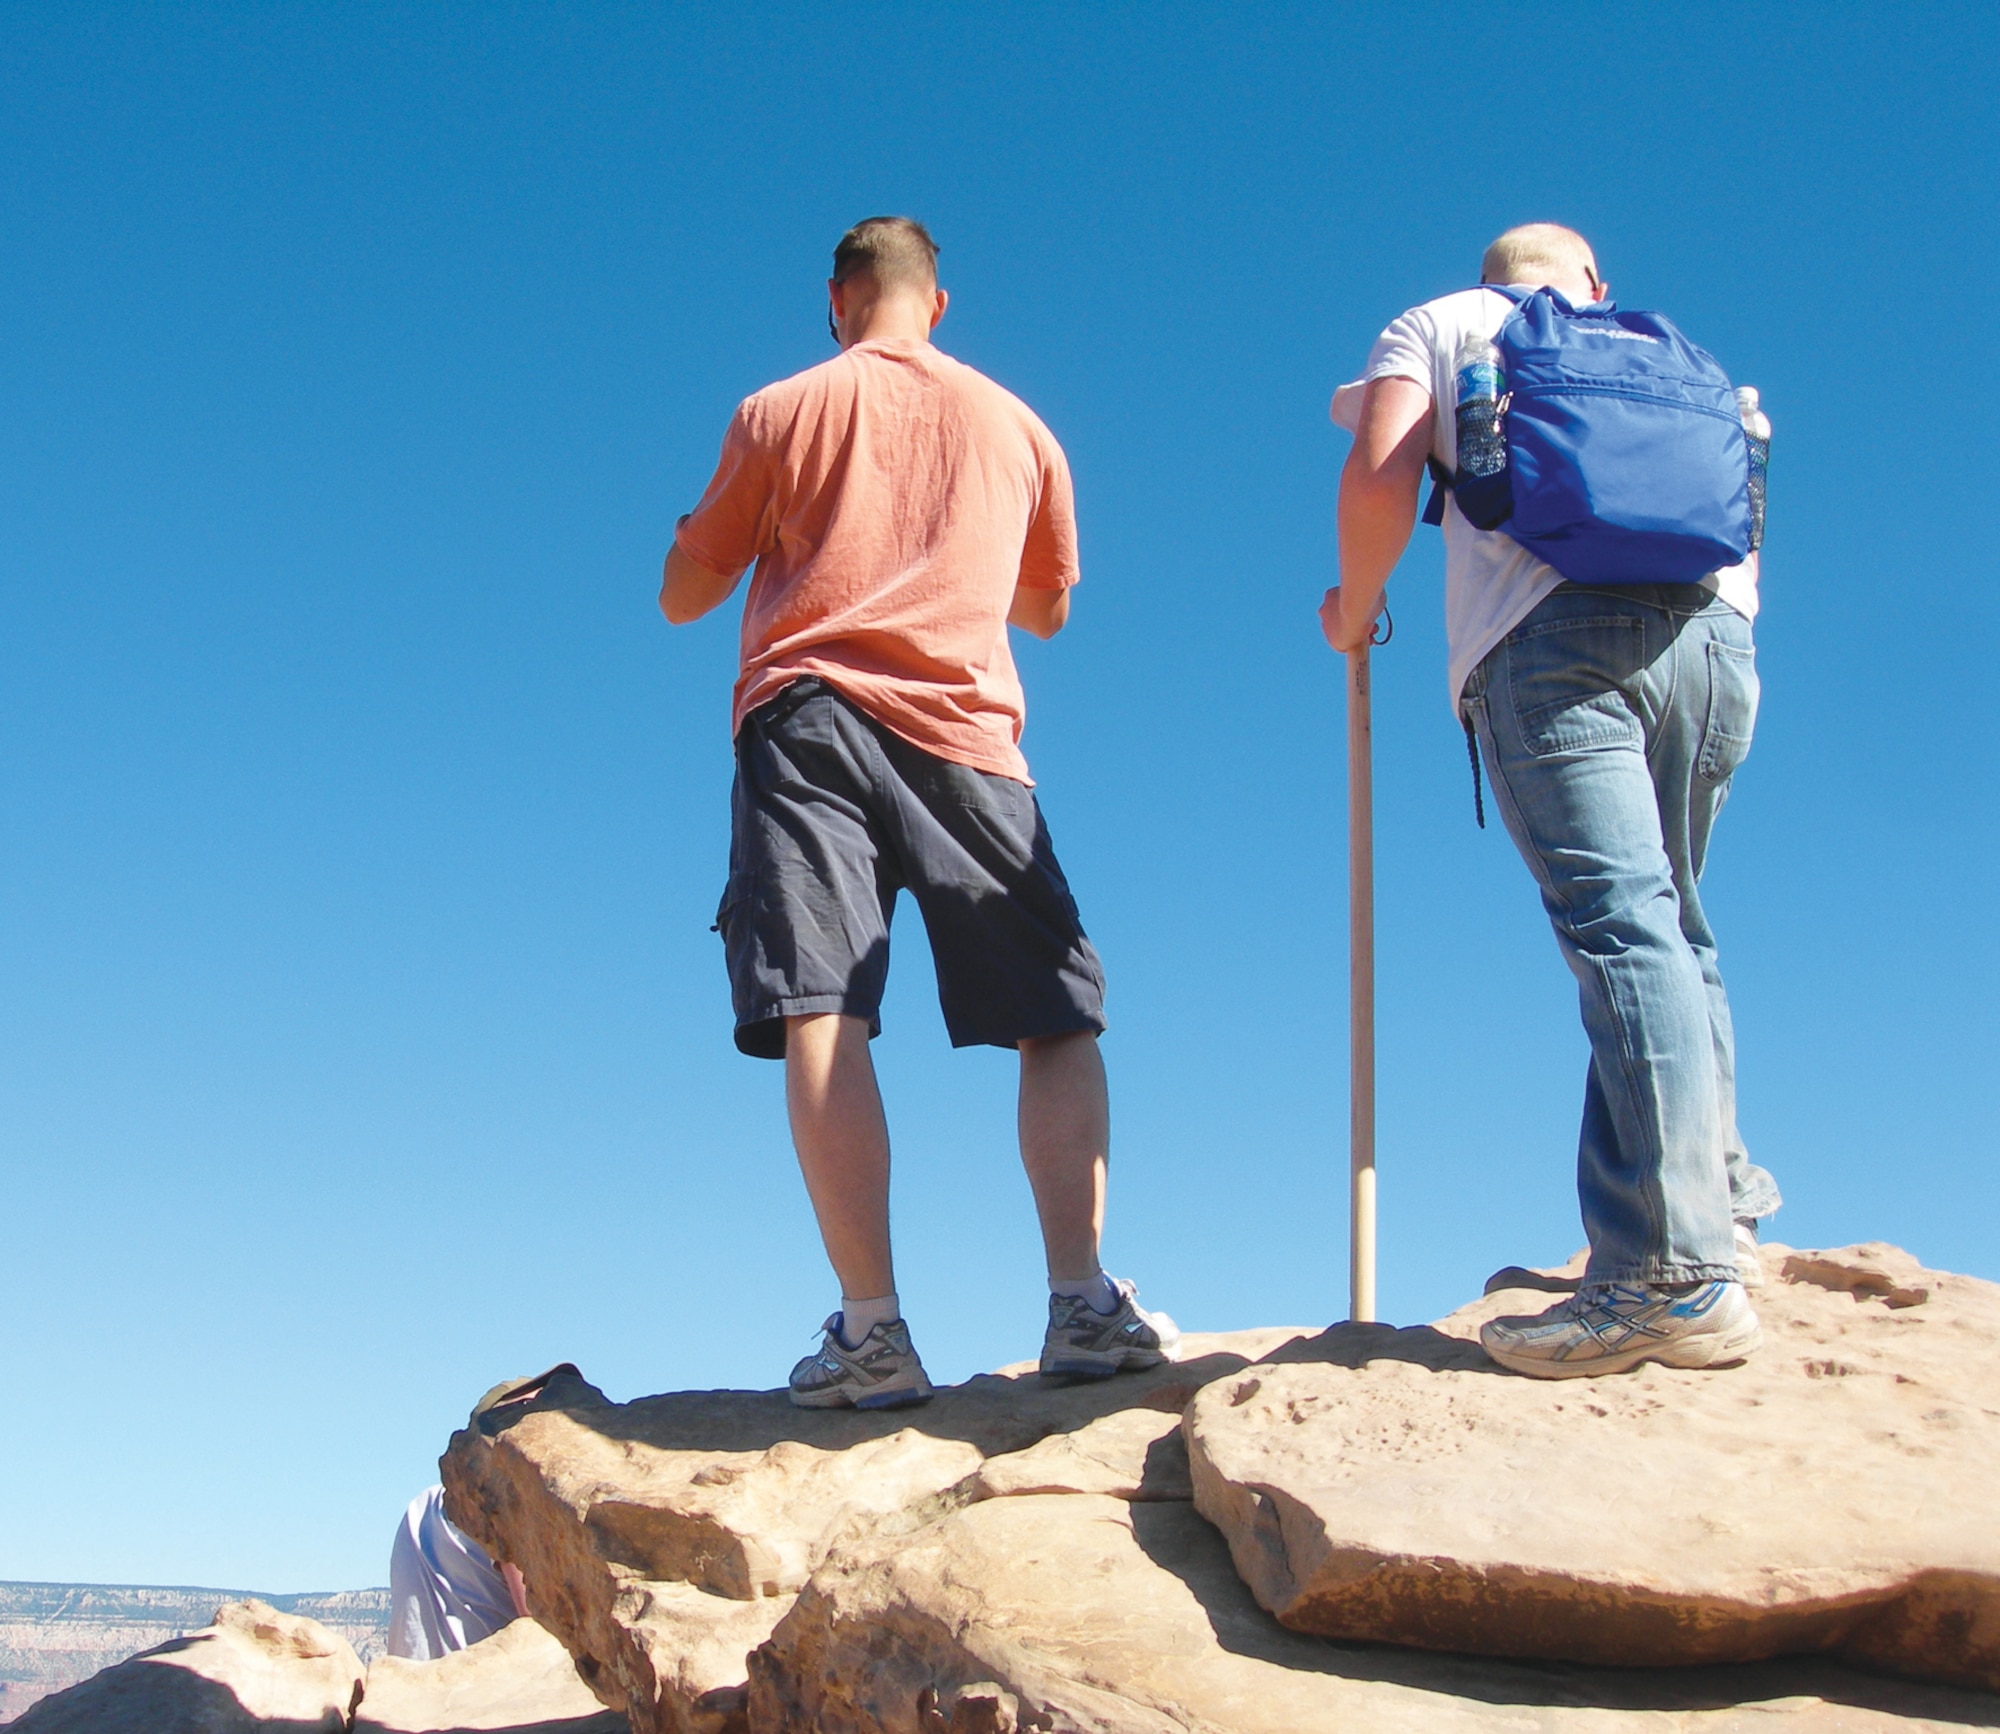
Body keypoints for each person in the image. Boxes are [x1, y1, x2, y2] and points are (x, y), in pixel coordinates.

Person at [660, 216, 1176, 1409]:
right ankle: (1082, 1304)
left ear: (837, 300)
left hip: (808, 717)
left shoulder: (779, 410)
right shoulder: (1019, 425)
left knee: (822, 1004)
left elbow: (684, 594)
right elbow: (1045, 609)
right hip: (967, 731)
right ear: (936, 304)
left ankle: (873, 1332)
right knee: (1053, 1012)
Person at [1321, 222, 1781, 1378]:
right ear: (1593, 285)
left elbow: (1381, 465)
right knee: (1675, 924)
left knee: (1621, 928)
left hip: (1550, 643)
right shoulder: (1668, 351)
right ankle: (1717, 1202)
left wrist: (1351, 603)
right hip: (1716, 642)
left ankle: (1668, 1278)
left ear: (1492, 281)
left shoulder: (1441, 323)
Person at [386, 1485, 527, 1660]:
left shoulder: (419, 1509)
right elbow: (539, 1621)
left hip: (413, 1678)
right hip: (488, 1676)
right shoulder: (508, 1503)